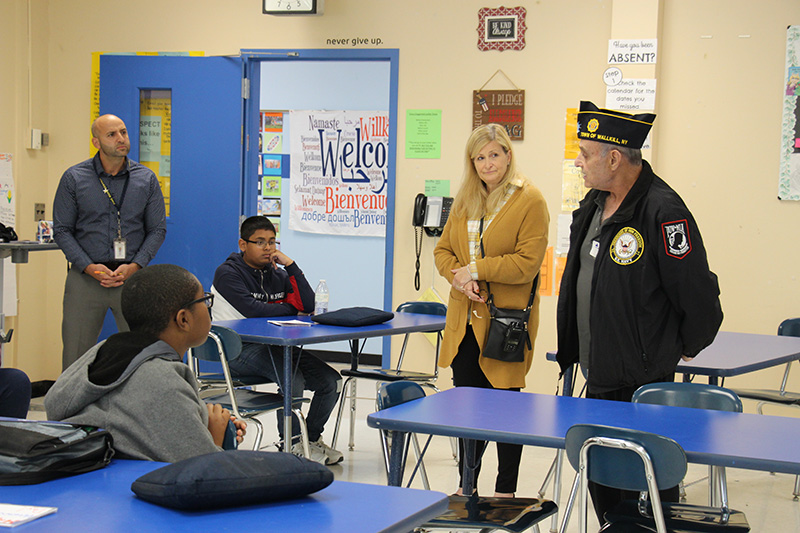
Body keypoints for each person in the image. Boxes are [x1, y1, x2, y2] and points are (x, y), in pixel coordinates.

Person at [556, 101, 723, 523]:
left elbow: (697, 294)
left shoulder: (664, 212)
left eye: (585, 154)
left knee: (649, 495)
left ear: (614, 158)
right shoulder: (593, 206)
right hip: (597, 377)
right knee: (603, 487)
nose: (578, 162)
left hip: (643, 385)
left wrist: (679, 346)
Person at [433, 124, 549, 497]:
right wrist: (460, 279)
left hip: (505, 324)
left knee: (505, 410)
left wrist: (477, 270)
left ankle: (505, 491)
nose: (487, 163)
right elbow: (442, 252)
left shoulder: (529, 199)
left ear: (508, 155)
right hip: (465, 321)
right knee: (467, 409)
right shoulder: (465, 198)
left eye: (494, 154)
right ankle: (467, 487)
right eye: (479, 157)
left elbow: (527, 263)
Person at [45, 264, 246, 462]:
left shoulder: (103, 351)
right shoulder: (162, 381)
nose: (208, 308)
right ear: (183, 319)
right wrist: (216, 438)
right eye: (204, 301)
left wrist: (204, 419)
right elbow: (203, 474)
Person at [211, 215, 343, 465]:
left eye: (272, 242)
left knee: (331, 382)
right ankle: (292, 444)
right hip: (238, 349)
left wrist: (291, 266)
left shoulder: (277, 274)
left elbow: (309, 305)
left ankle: (310, 440)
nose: (268, 248)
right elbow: (253, 310)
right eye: (260, 242)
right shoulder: (228, 273)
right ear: (243, 245)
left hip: (277, 347)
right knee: (293, 379)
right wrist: (291, 310)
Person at [53, 114, 167, 371]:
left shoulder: (146, 179)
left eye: (123, 132)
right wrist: (88, 267)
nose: (121, 139)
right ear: (96, 141)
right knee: (75, 354)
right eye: (111, 135)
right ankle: (72, 411)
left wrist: (136, 265)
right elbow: (61, 230)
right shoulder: (74, 178)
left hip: (133, 278)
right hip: (86, 277)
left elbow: (157, 229)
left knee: (143, 353)